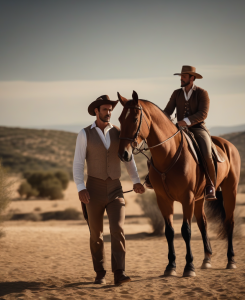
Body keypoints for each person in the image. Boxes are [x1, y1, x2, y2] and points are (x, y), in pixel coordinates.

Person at [73, 95, 145, 285]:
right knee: (96, 234)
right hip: (93, 190)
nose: (108, 113)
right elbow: (78, 163)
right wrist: (81, 188)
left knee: (118, 230)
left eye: (110, 110)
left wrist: (136, 181)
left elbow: (128, 158)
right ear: (96, 111)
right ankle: (100, 272)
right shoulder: (84, 134)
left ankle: (119, 273)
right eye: (104, 110)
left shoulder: (120, 132)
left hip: (115, 188)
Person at [146, 65, 217, 200]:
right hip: (178, 129)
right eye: (181, 76)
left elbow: (203, 114)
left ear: (192, 78)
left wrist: (185, 121)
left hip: (198, 128)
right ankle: (151, 177)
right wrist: (161, 121)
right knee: (159, 147)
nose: (181, 79)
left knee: (207, 154)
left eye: (184, 76)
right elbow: (167, 111)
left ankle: (210, 185)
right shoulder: (176, 93)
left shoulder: (202, 93)